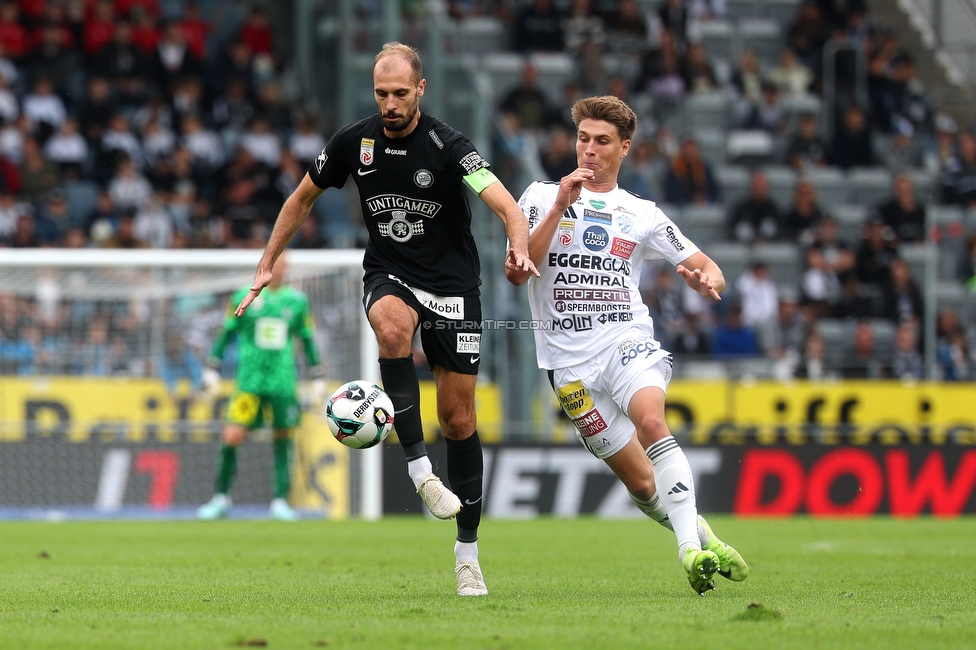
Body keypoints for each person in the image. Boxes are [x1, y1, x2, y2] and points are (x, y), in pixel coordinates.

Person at [233, 42, 537, 597]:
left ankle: (467, 554)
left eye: (400, 93)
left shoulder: (449, 146)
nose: (390, 104)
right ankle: (420, 471)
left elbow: (506, 206)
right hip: (390, 273)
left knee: (459, 420)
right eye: (381, 94)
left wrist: (518, 246)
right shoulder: (354, 142)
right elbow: (301, 199)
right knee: (391, 326)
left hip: (453, 287)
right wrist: (266, 261)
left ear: (421, 89)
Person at [506, 95, 748, 595]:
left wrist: (707, 279)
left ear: (624, 148)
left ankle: (689, 552)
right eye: (583, 139)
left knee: (652, 422)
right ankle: (704, 537)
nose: (589, 150)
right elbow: (518, 271)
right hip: (567, 366)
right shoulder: (539, 196)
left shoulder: (641, 213)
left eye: (602, 141)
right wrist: (561, 206)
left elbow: (707, 265)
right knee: (641, 484)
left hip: (625, 339)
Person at [197, 253, 323, 522]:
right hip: (249, 384)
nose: (278, 269)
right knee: (232, 436)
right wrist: (211, 366)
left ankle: (280, 501)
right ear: (265, 266)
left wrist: (317, 374)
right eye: (274, 264)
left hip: (283, 383)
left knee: (283, 438)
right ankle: (220, 498)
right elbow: (226, 332)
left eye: (283, 265)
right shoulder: (244, 295)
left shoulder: (297, 301)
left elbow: (307, 338)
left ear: (287, 268)